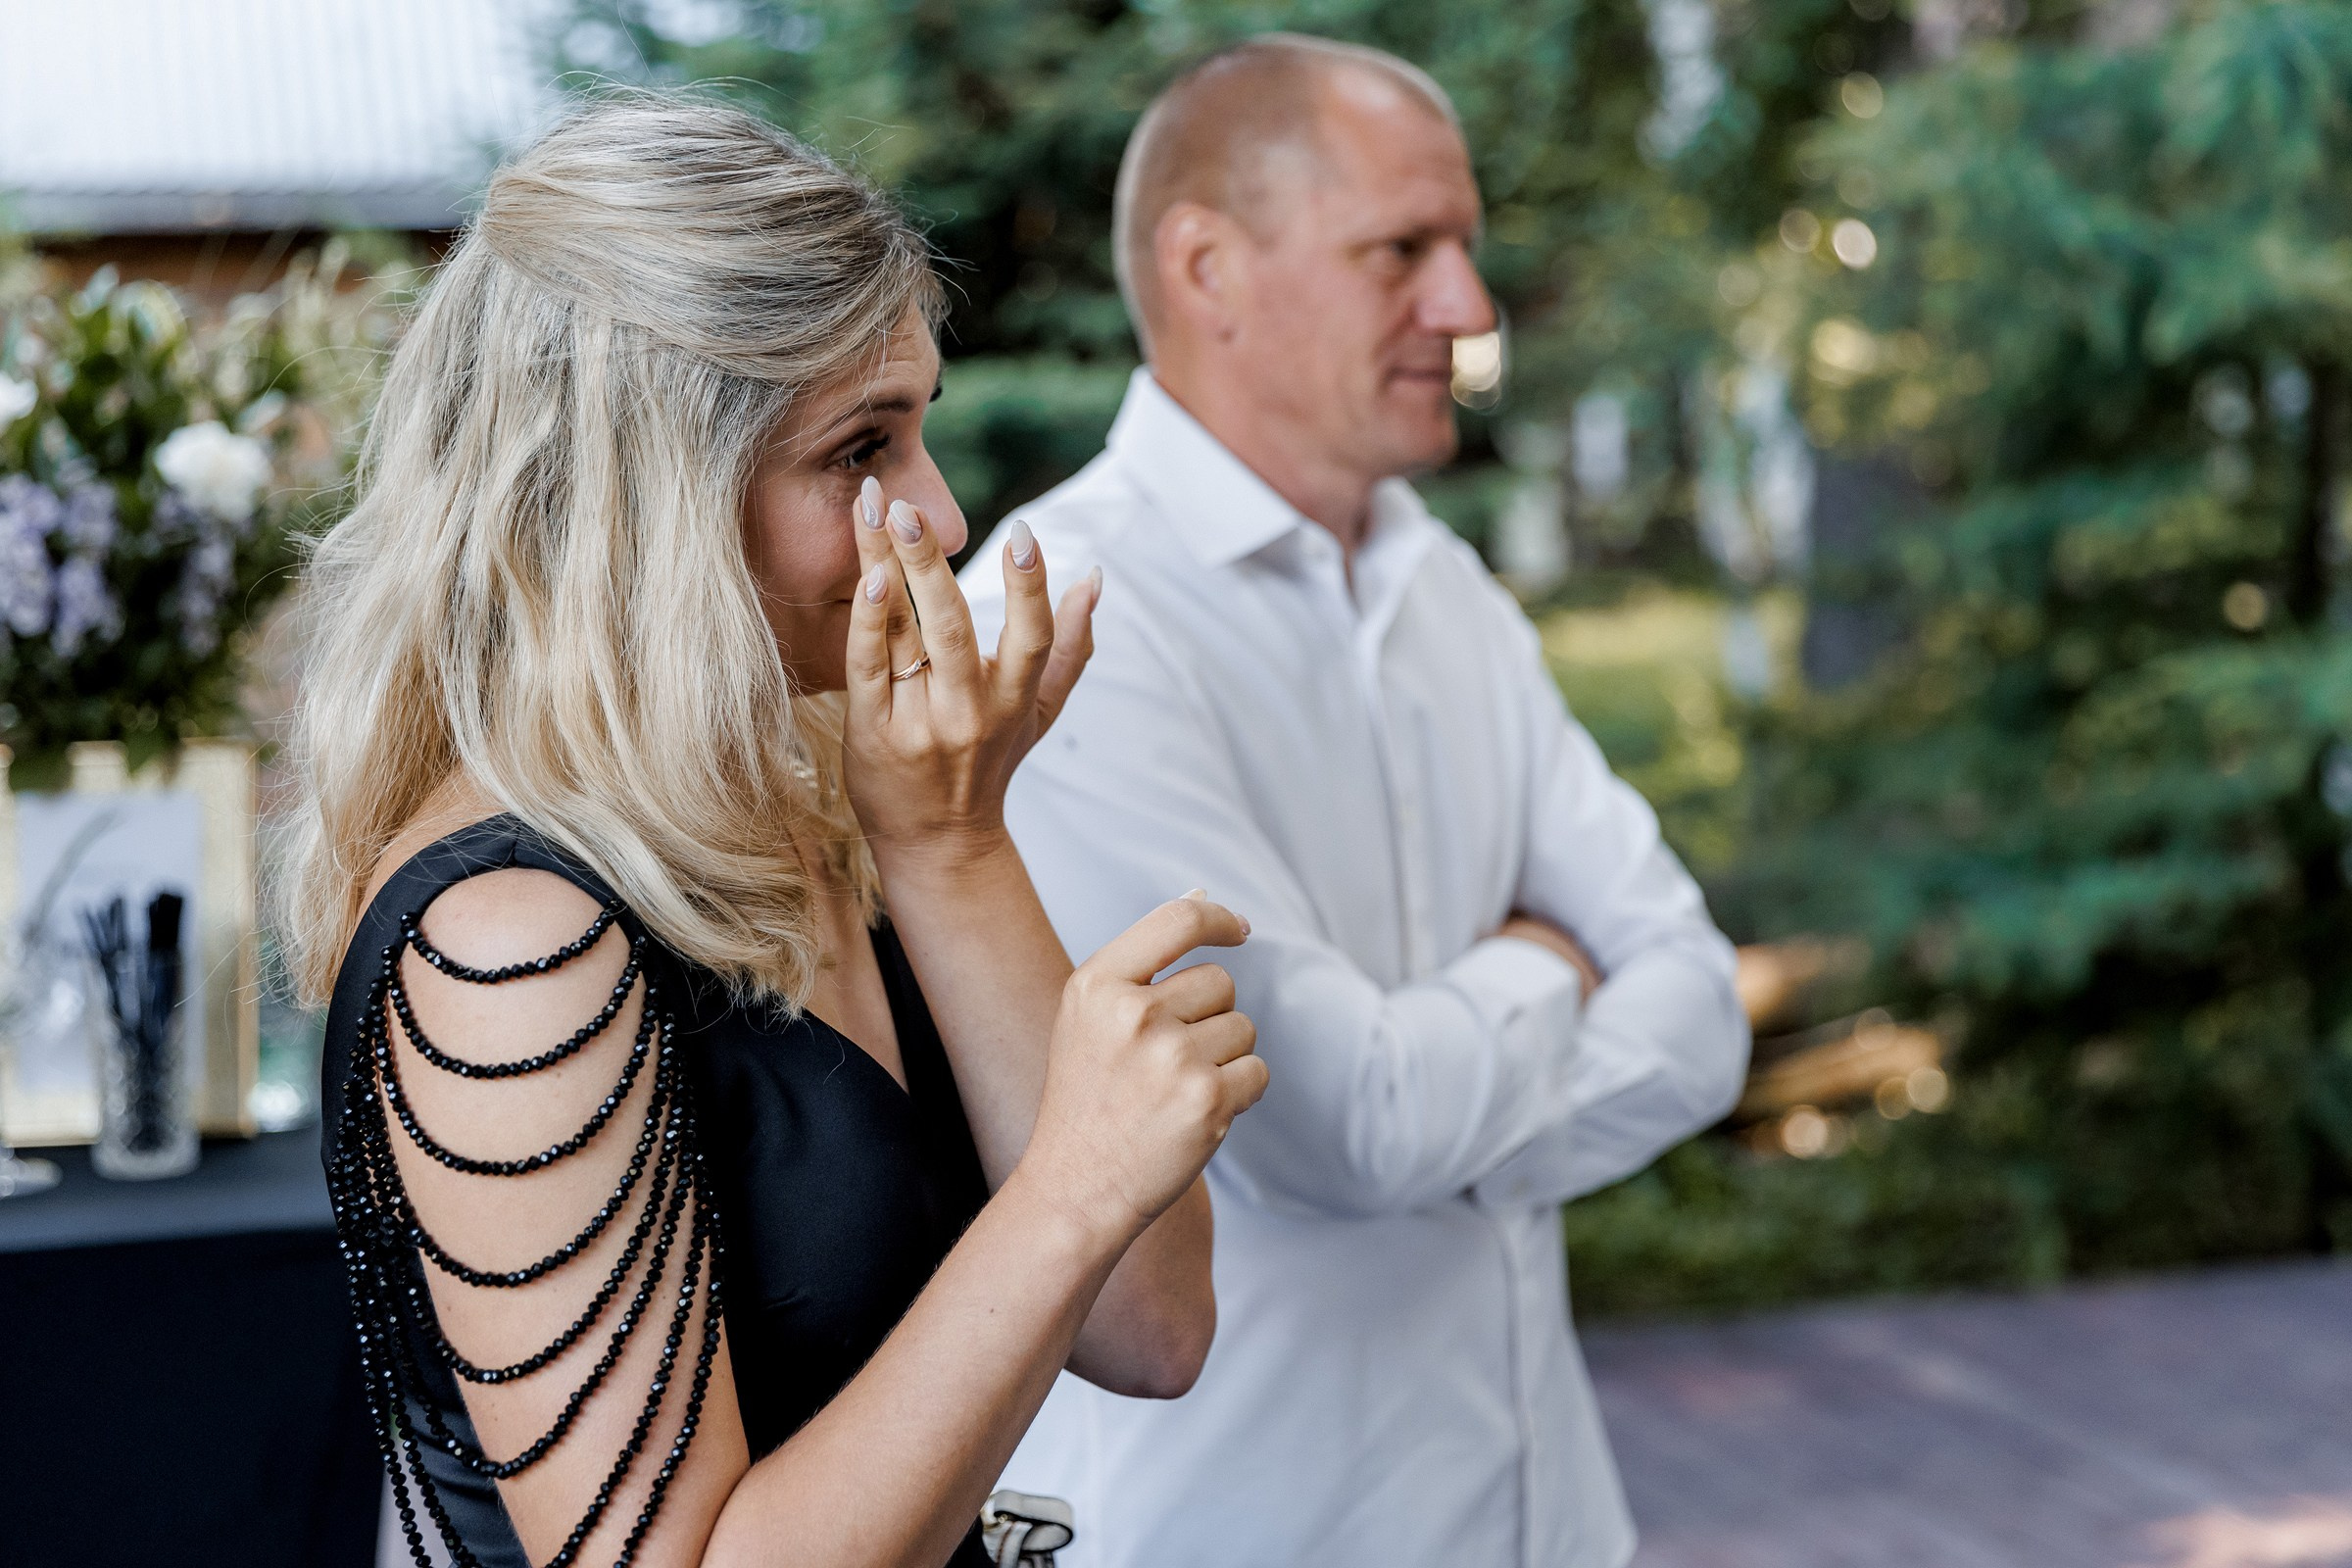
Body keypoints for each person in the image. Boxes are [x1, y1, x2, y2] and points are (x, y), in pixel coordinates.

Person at [282, 94, 1268, 1568]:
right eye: (861, 448)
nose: (933, 513)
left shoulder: (825, 798)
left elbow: (1155, 1327)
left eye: (920, 428)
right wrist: (1072, 1180)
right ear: (650, 492)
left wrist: (955, 847)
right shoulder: (508, 936)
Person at [960, 34, 1750, 1568]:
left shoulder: (1443, 583)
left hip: (1550, 1525)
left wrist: (1440, 1131)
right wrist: (1548, 965)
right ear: (1209, 269)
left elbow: (1701, 1006)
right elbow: (1336, 1129)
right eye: (1402, 251)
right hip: (1246, 1531)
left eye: (1464, 247)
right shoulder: (1063, 617)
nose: (1467, 310)